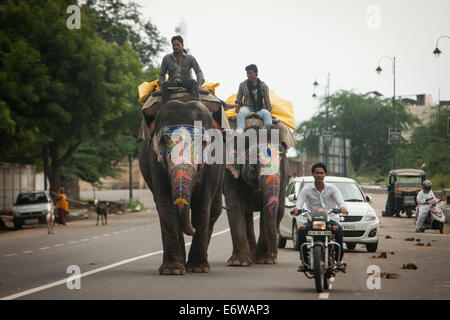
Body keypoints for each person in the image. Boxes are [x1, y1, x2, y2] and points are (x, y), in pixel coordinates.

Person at [292, 162, 348, 272]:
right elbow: (299, 202)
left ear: (325, 174)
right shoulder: (306, 190)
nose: (319, 175)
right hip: (312, 221)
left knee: (339, 230)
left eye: (321, 173)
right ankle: (304, 261)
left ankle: (339, 261)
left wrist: (343, 208)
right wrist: (297, 208)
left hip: (330, 219)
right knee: (302, 230)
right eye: (317, 173)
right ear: (313, 174)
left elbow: (341, 201)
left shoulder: (332, 189)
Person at [158, 35, 205, 106]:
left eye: (178, 45)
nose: (175, 47)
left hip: (186, 81)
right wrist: (161, 83)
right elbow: (161, 74)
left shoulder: (190, 58)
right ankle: (165, 106)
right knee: (165, 85)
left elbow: (198, 72)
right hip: (172, 82)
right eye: (174, 45)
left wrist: (199, 84)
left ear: (182, 45)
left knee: (193, 82)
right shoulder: (166, 58)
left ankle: (196, 105)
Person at [234, 64, 272, 134]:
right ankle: (239, 131)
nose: (248, 75)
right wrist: (236, 112)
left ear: (256, 73)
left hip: (260, 109)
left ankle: (268, 133)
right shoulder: (243, 85)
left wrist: (270, 113)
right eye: (247, 73)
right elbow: (238, 99)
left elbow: (267, 102)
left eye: (250, 73)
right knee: (241, 112)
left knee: (266, 114)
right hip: (247, 108)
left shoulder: (263, 86)